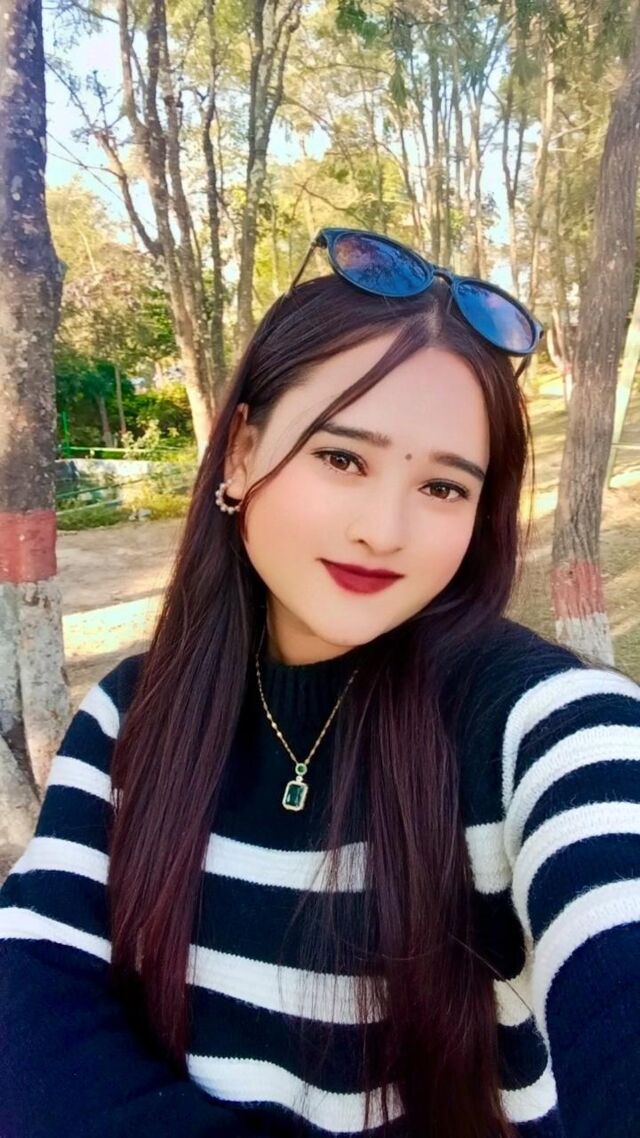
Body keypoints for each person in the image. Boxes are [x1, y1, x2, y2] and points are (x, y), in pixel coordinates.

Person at [1, 229, 639, 1138]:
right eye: (343, 458)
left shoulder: (538, 726)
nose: (385, 529)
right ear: (240, 452)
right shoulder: (131, 718)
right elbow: (31, 989)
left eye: (444, 488)